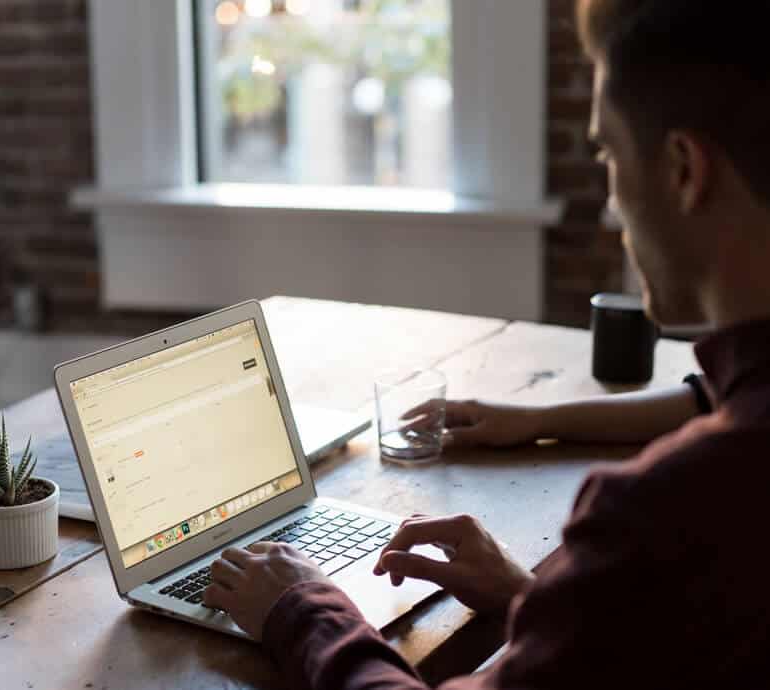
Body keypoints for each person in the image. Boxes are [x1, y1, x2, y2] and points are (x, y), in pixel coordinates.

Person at [203, 0, 770, 687]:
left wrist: (302, 607)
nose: (612, 207)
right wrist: (536, 599)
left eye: (608, 154)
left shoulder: (663, 515)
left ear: (684, 170)